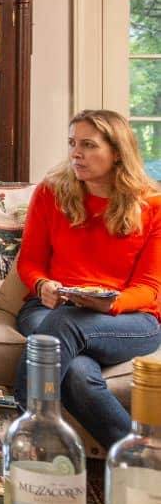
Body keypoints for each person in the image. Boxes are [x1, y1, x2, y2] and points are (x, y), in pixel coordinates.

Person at [14, 109, 161, 449]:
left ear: (118, 152)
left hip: (130, 320)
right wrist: (42, 286)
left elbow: (150, 289)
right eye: (72, 144)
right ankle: (143, 462)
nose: (75, 153)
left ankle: (22, 423)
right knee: (78, 374)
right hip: (50, 307)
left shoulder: (152, 205)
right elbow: (31, 263)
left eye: (88, 145)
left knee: (66, 324)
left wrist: (108, 303)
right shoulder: (52, 193)